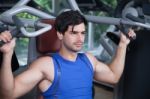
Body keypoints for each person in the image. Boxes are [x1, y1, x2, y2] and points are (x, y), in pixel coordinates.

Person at [0, 10, 135, 99]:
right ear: (60, 34)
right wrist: (7, 55)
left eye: (82, 33)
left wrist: (123, 44)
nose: (80, 39)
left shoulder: (88, 60)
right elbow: (8, 94)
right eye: (73, 33)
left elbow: (113, 76)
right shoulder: (46, 65)